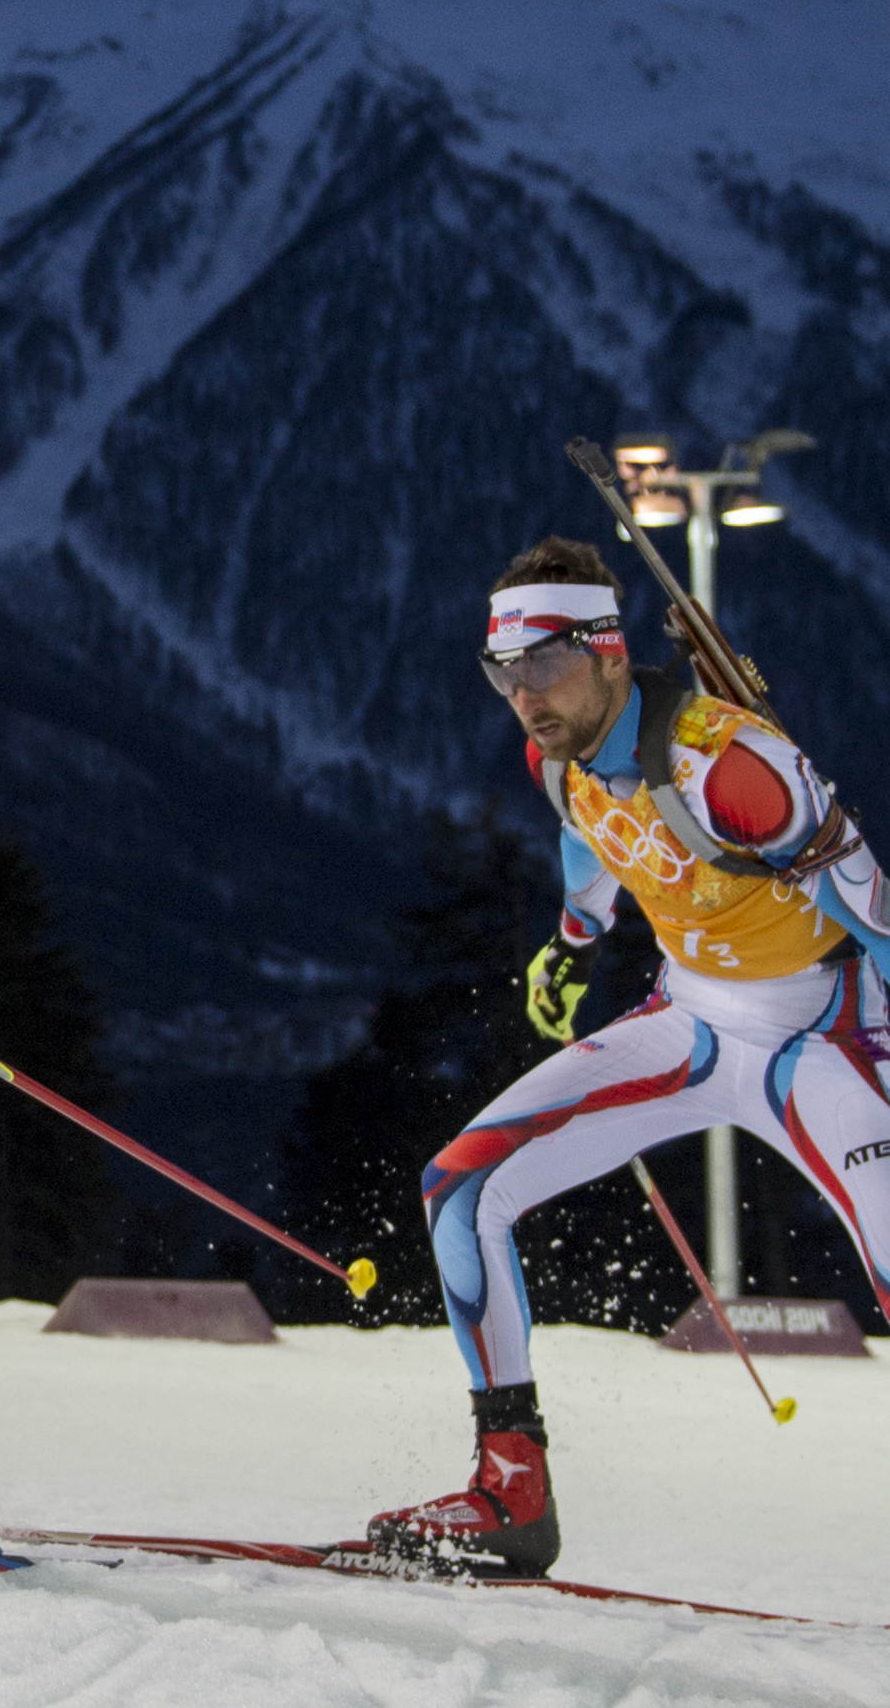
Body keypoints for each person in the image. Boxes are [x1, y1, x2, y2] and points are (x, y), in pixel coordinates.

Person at [370, 535, 890, 1575]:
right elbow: (591, 832)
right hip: (690, 1020)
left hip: (822, 1033)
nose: (523, 696)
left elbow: (873, 912)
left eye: (542, 662)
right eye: (501, 671)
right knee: (460, 1191)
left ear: (607, 649)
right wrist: (573, 941)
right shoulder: (555, 752)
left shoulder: (726, 764)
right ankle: (509, 1492)